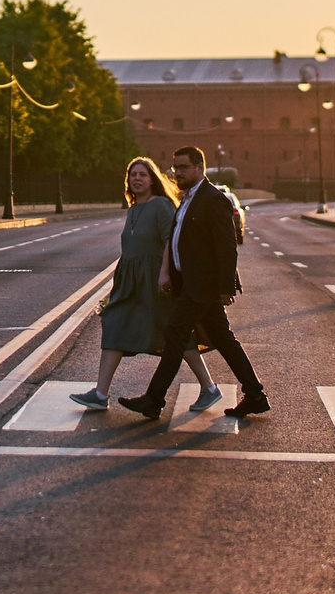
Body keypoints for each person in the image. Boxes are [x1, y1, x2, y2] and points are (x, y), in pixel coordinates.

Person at [118, 145, 270, 420]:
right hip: (190, 284)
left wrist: (225, 287)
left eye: (184, 167)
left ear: (200, 168)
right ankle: (255, 395)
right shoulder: (187, 199)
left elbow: (226, 246)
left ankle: (153, 400)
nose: (178, 172)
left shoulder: (213, 199)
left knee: (175, 337)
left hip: (203, 286)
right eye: (175, 167)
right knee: (224, 340)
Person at [71, 158, 216, 412]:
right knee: (114, 323)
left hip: (157, 282)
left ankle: (209, 387)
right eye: (132, 175)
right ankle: (100, 393)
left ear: (153, 179)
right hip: (130, 284)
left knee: (175, 334)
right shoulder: (134, 208)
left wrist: (164, 274)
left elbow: (171, 241)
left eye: (143, 175)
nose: (137, 179)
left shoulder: (161, 205)